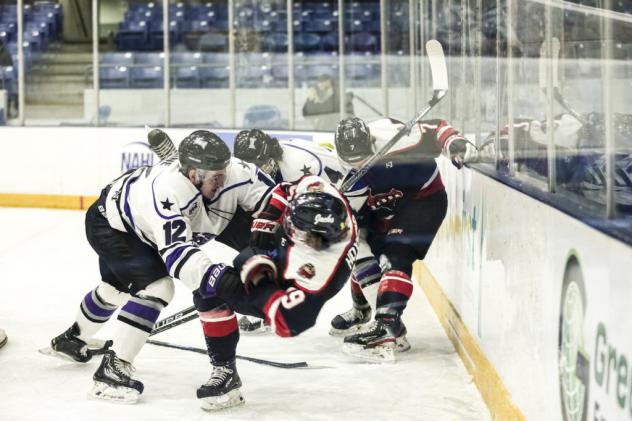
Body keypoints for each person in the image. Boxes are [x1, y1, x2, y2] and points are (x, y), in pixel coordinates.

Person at [44, 130, 275, 404]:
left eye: (223, 170)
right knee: (157, 287)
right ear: (192, 174)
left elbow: (276, 202)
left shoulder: (236, 173)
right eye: (214, 175)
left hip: (140, 216)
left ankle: (73, 338)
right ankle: (112, 371)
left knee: (115, 290)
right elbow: (178, 256)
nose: (222, 179)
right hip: (113, 226)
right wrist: (220, 281)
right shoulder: (165, 191)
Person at [192, 175, 358, 410]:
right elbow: (284, 188)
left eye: (304, 236)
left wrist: (257, 282)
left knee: (211, 290)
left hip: (301, 288)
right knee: (246, 257)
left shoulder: (317, 270)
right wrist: (268, 219)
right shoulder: (318, 188)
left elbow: (289, 322)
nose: (294, 234)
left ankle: (226, 372)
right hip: (299, 254)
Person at [330, 116, 475, 361]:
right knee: (356, 248)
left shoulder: (394, 137)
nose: (360, 164)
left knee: (395, 255)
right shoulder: (335, 169)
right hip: (378, 211)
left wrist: (453, 142)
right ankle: (365, 311)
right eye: (353, 162)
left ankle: (387, 328)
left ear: (371, 143)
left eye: (364, 157)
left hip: (422, 199)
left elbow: (435, 128)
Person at [232, 128, 347, 332]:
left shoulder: (297, 165)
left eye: (259, 164)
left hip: (342, 192)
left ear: (270, 154)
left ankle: (362, 309)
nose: (256, 170)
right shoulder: (255, 170)